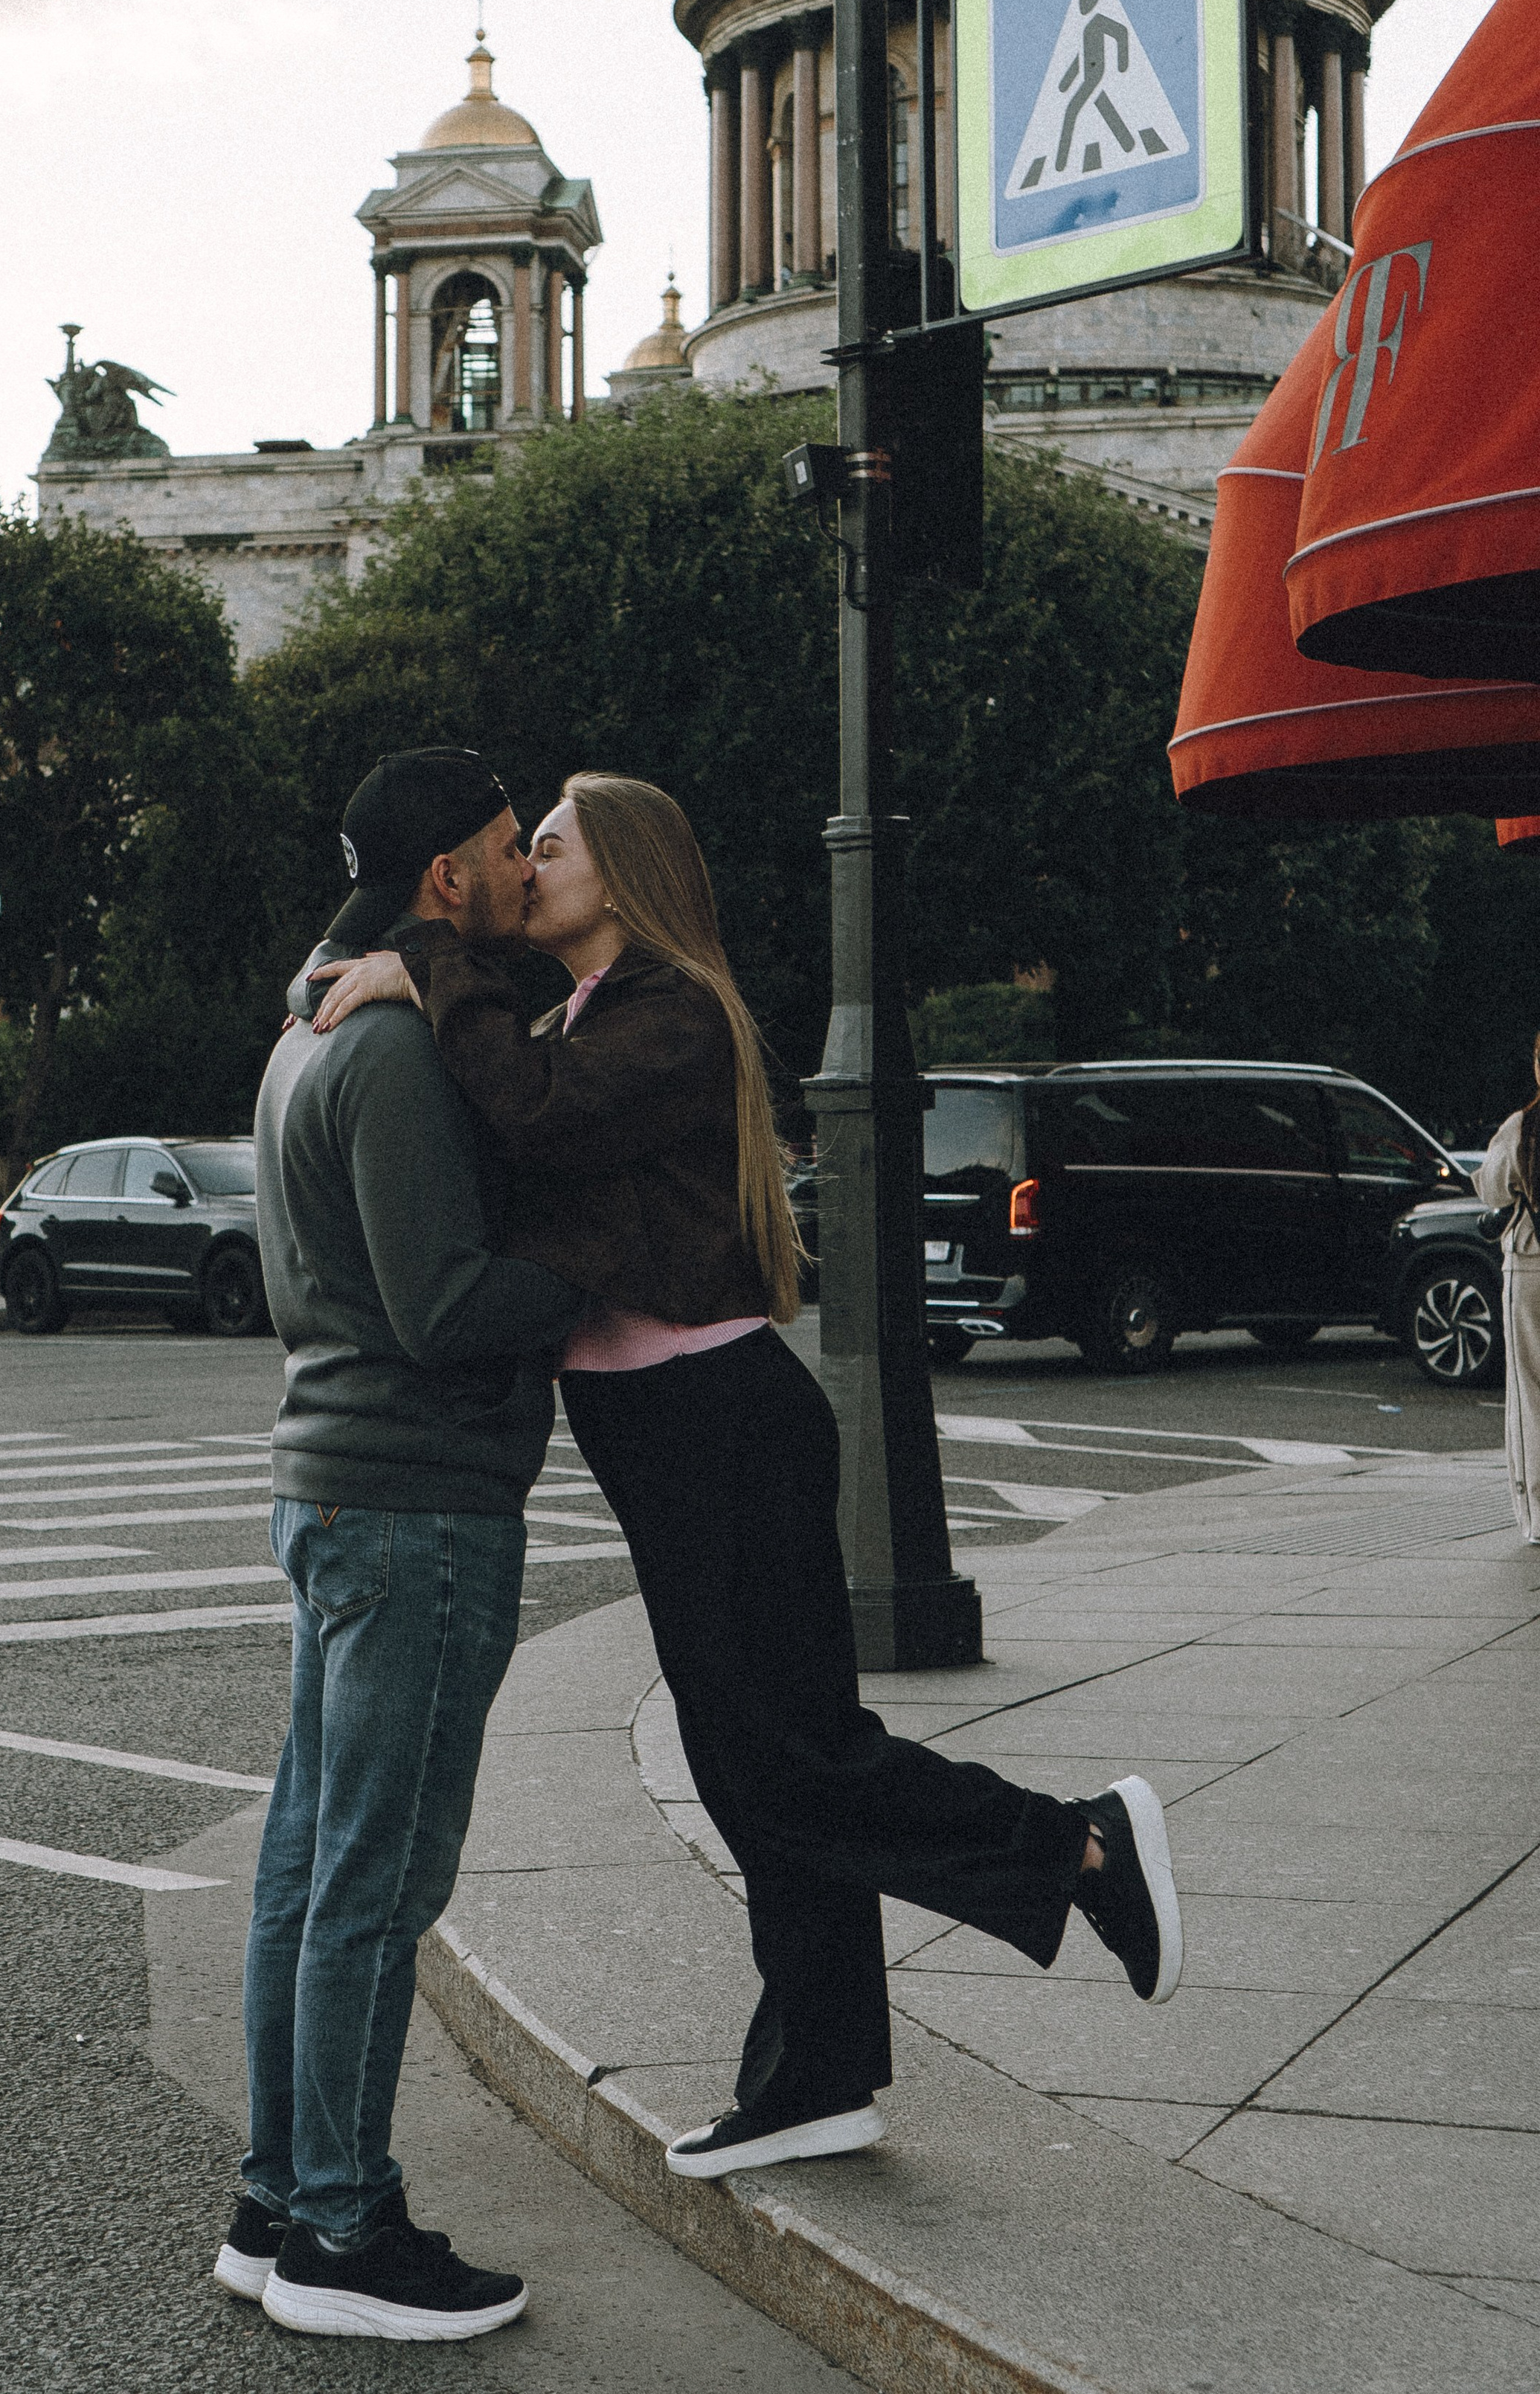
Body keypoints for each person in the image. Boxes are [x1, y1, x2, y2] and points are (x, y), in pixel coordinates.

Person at [313, 773, 1183, 2182]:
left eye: (550, 846)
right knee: (756, 1756)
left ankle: (1078, 1846)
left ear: (626, 872)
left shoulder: (673, 1012)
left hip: (718, 1421)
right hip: (664, 1429)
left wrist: (425, 960)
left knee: (785, 1756)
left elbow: (536, 1119)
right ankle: (818, 2078)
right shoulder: (578, 1014)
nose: (526, 866)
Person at [220, 748, 583, 2343]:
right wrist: (602, 1262)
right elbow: (443, 1305)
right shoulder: (393, 1050)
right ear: (446, 877)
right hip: (415, 1498)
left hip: (331, 1477)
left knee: (308, 1867)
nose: (524, 869)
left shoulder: (304, 1032)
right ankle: (343, 2234)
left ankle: (277, 2201)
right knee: (375, 1878)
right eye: (507, 847)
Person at [1476, 1035, 1540, 1541]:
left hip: (1531, 1262)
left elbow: (1492, 1186)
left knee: (1530, 1391)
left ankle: (1538, 1512)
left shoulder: (1524, 1125)